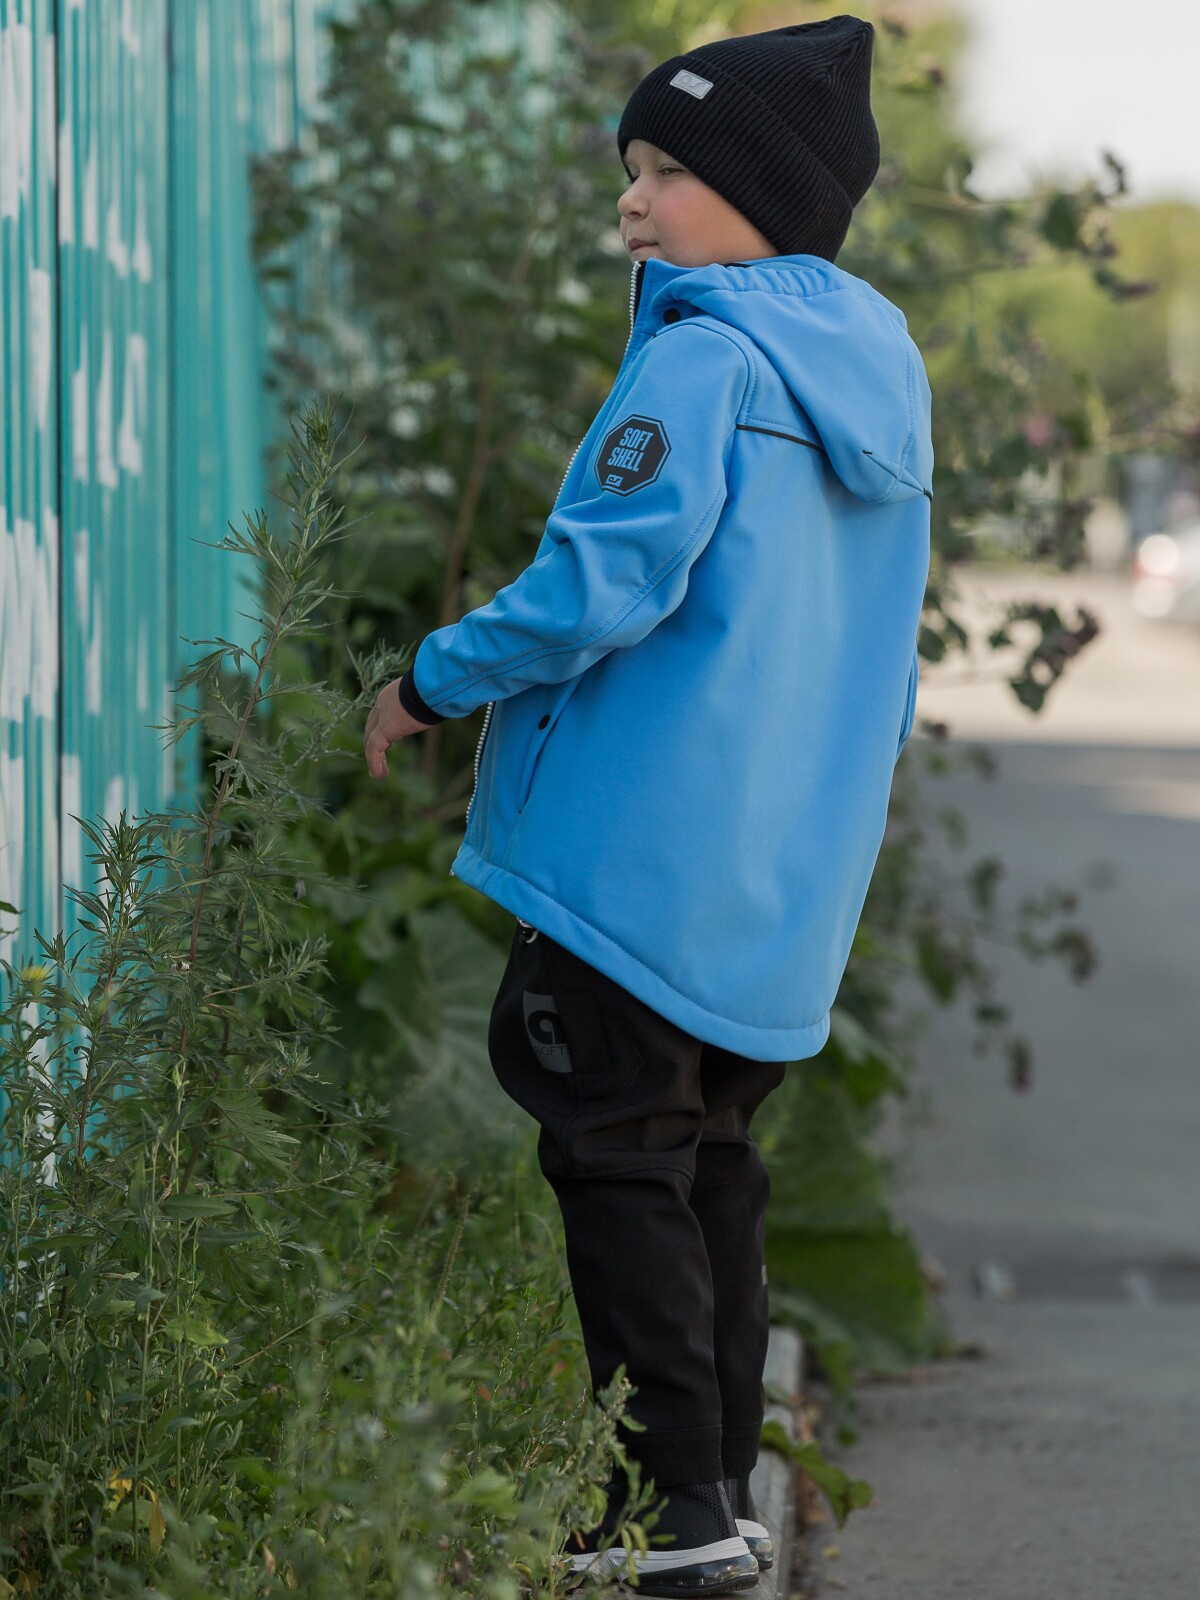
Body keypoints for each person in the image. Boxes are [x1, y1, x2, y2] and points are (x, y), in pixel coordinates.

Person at [364, 14, 932, 1595]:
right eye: (631, 167)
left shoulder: (699, 361)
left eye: (670, 169)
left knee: (618, 1165)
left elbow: (597, 587)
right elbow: (885, 658)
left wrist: (429, 683)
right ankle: (716, 1491)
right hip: (774, 886)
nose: (633, 199)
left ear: (766, 194)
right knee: (709, 1170)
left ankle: (665, 1513)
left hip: (630, 861)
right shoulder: (879, 376)